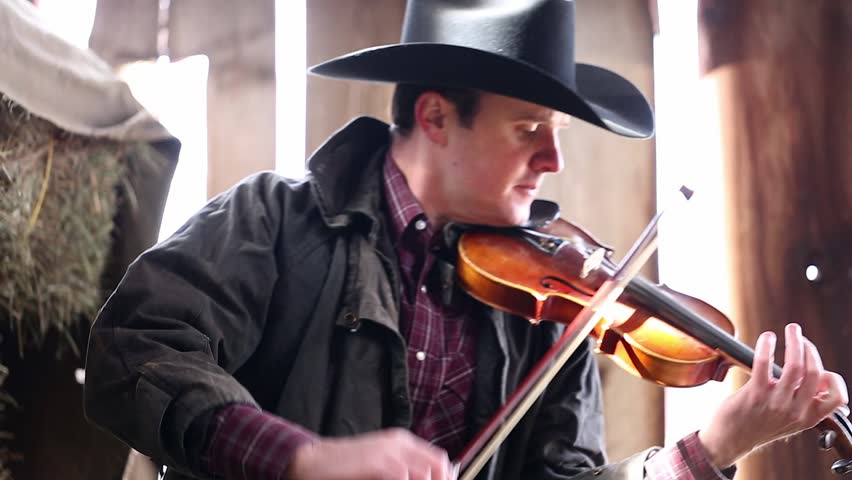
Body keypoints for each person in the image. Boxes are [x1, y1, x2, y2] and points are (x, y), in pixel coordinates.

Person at [83, 1, 848, 479]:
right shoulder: (275, 221)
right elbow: (134, 349)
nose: (554, 162)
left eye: (556, 136)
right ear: (438, 118)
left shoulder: (559, 307)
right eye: (529, 132)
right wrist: (303, 460)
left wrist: (710, 448)